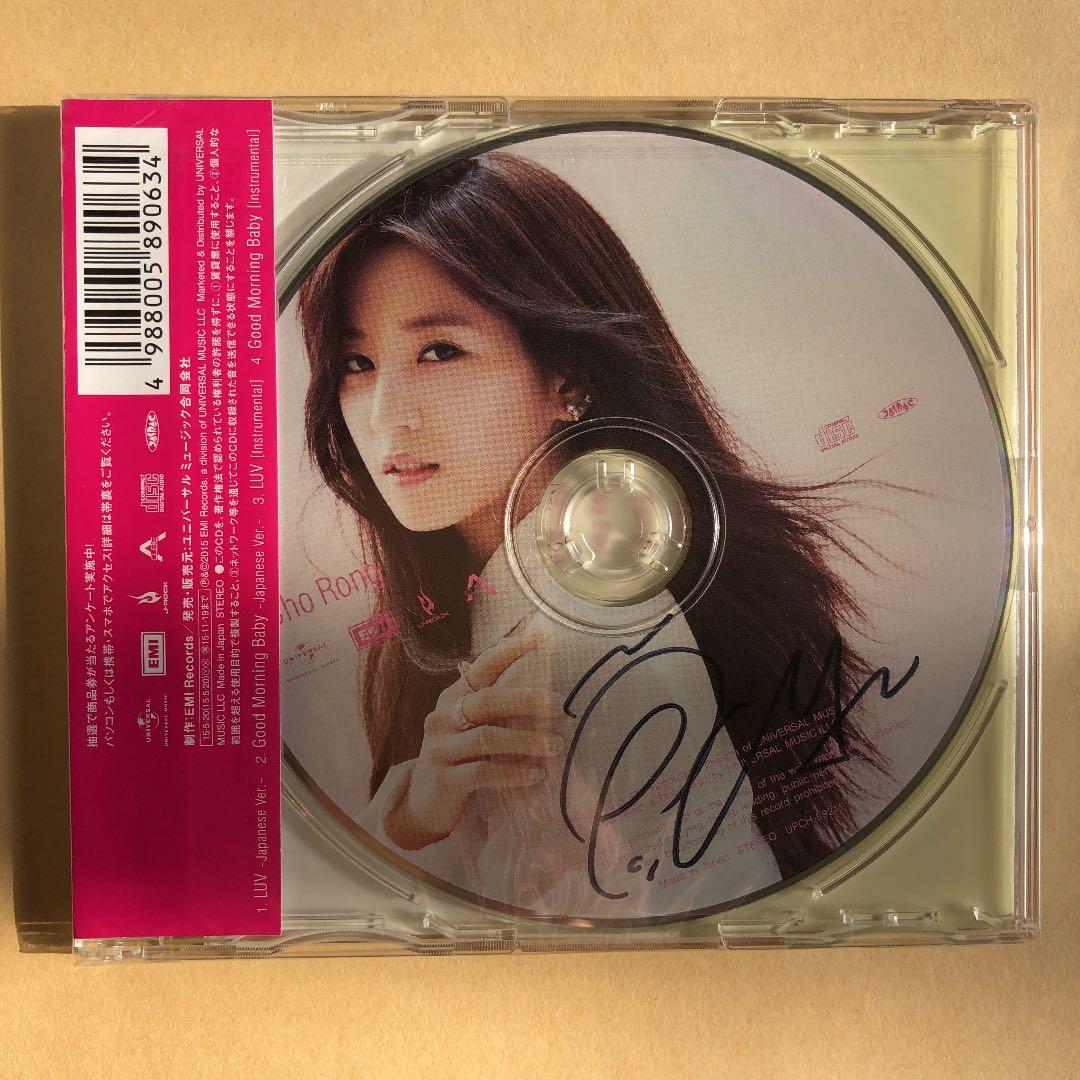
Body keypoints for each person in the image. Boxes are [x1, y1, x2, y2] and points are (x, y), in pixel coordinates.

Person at [297, 148, 890, 918]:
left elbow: (708, 909)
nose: (386, 417)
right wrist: (421, 806)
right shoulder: (506, 593)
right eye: (356, 362)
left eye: (440, 351)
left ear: (567, 380)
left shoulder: (588, 621)